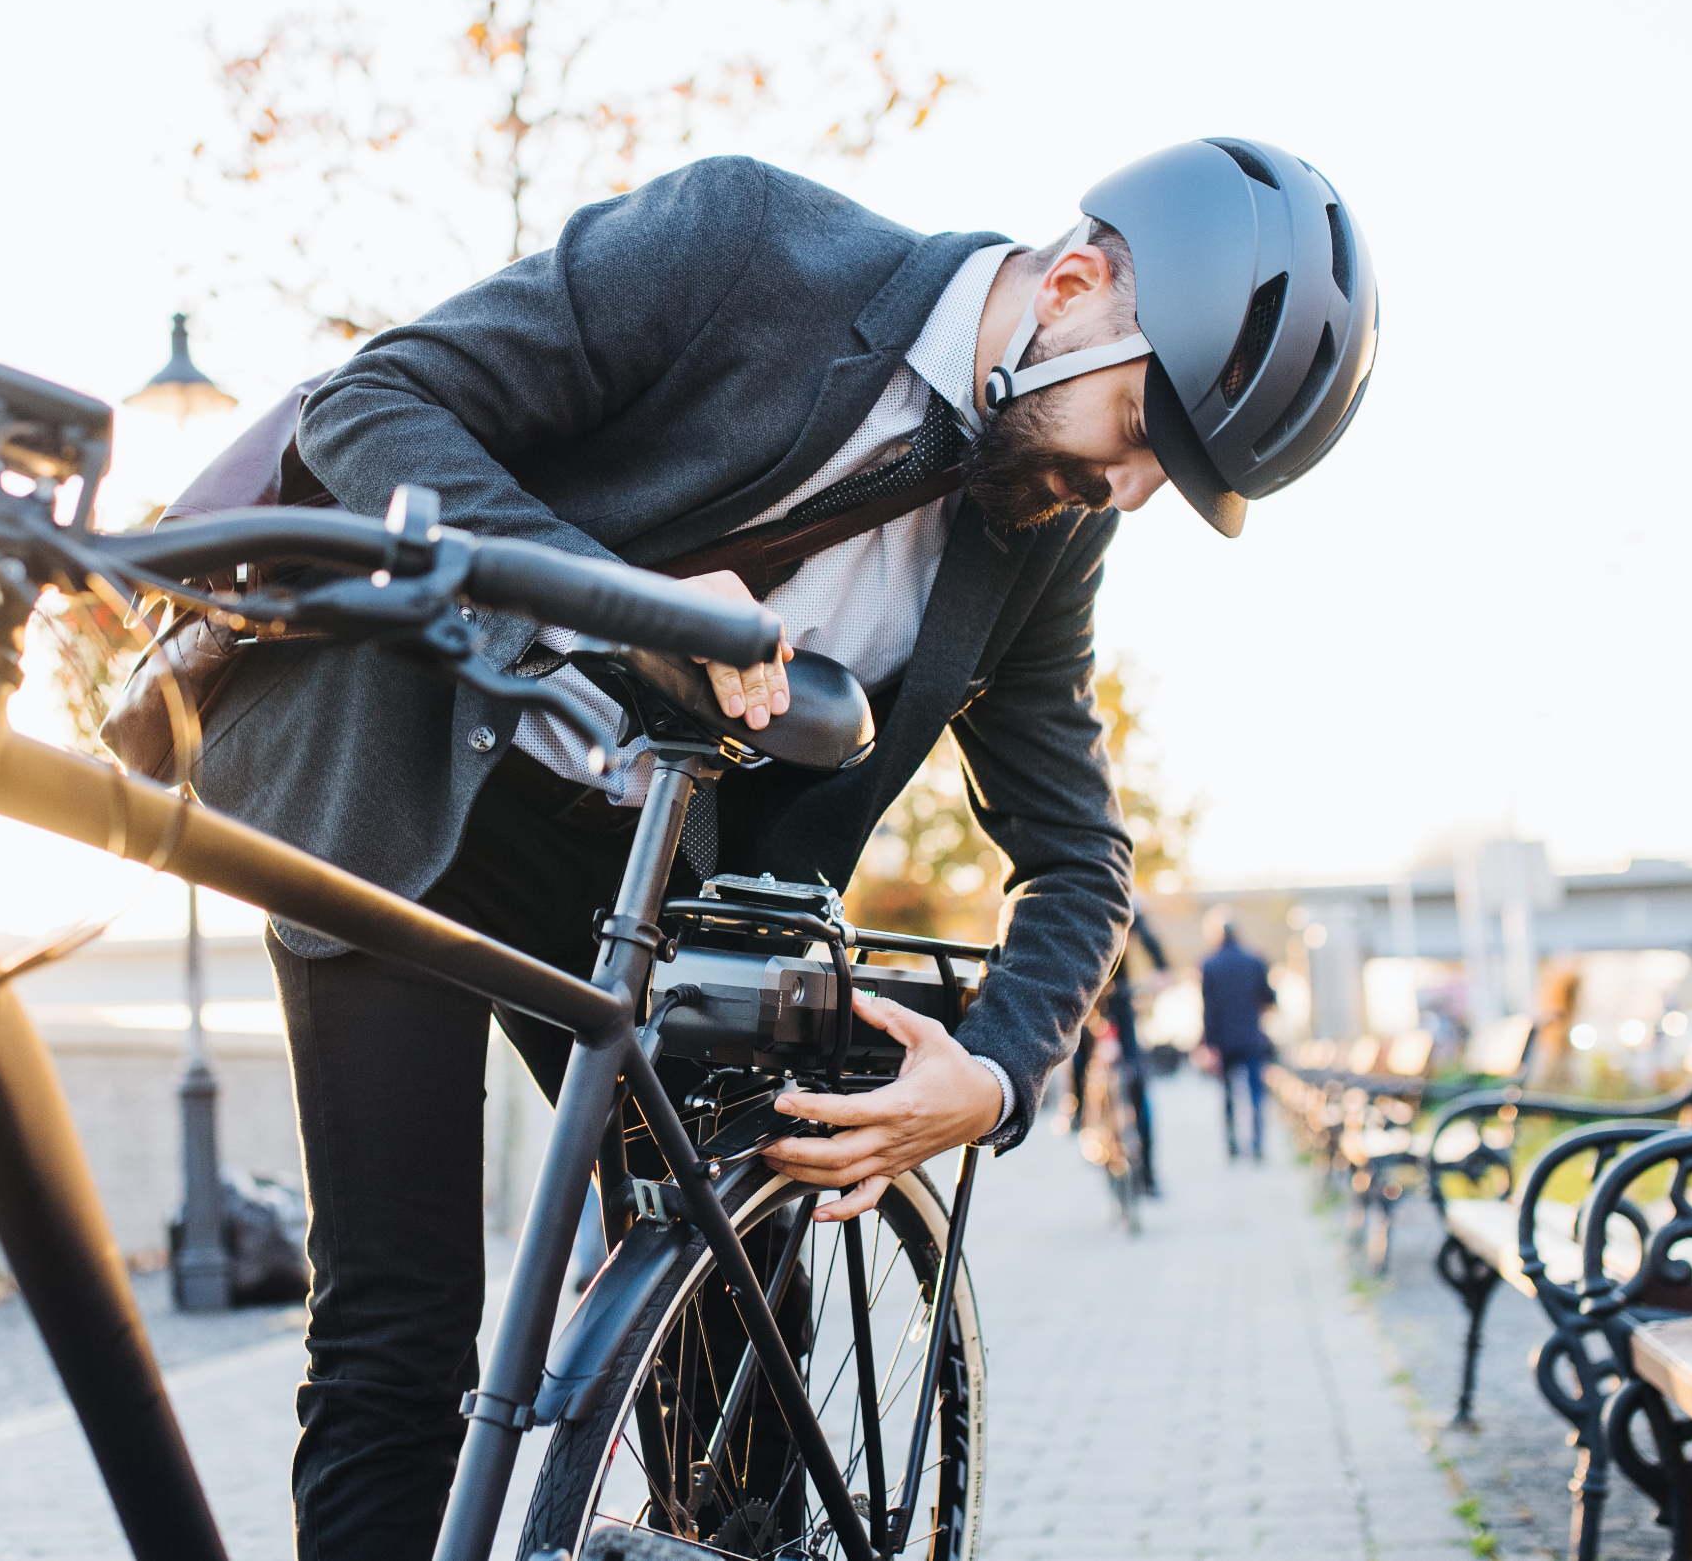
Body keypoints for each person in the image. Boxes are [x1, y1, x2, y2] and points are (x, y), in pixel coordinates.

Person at [191, 142, 1377, 1556]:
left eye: (1164, 478)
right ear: (1074, 286)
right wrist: (618, 597)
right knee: (398, 1325)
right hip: (403, 781)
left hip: (655, 876)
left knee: (741, 1327)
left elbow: (1078, 854)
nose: (1127, 491)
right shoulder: (742, 245)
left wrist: (990, 1075)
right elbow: (370, 410)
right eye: (1137, 432)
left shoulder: (1047, 531)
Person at [1068, 909, 1165, 1195]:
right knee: (1079, 1056)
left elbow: (1150, 942)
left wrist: (1161, 971)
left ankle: (1146, 1170)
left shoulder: (1128, 904)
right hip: (1084, 1000)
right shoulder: (1069, 894)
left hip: (1118, 998)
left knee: (1136, 1080)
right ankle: (1079, 1112)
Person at [1198, 912, 1279, 1160]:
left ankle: (1232, 1144)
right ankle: (1256, 1144)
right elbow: (1269, 997)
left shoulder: (1209, 964)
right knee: (1255, 1092)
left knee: (1228, 1094)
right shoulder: (1255, 961)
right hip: (1251, 1038)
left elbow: (1208, 1009)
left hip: (1223, 1041)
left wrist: (1208, 1044)